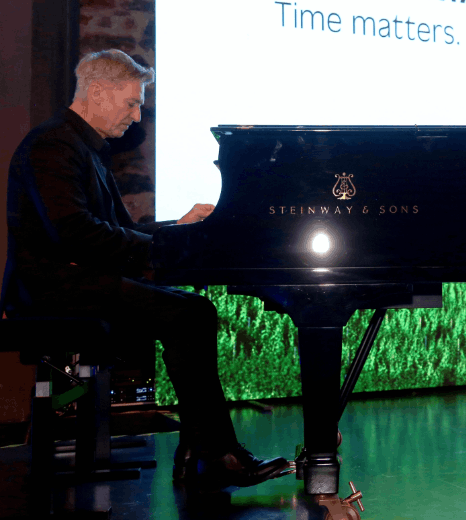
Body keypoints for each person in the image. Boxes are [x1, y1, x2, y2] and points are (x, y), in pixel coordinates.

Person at [3, 49, 288, 489]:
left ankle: (201, 451)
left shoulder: (80, 146)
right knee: (190, 314)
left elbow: (115, 230)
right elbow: (74, 232)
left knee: (194, 311)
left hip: (76, 279)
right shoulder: (53, 145)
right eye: (132, 103)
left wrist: (178, 229)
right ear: (98, 93)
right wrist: (160, 246)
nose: (137, 116)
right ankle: (214, 454)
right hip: (50, 288)